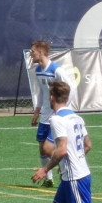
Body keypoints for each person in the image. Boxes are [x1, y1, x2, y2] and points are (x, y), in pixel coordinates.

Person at [29, 40, 75, 188]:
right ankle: (49, 179)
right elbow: (42, 93)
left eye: (33, 52)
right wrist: (37, 110)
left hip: (56, 117)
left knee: (48, 148)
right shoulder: (38, 70)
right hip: (45, 116)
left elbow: (70, 88)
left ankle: (65, 165)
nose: (31, 54)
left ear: (41, 52)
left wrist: (62, 107)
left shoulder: (56, 70)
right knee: (42, 149)